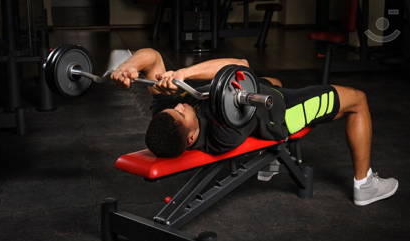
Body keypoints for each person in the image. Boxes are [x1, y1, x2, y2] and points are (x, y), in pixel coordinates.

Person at [111, 48, 398, 206]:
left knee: (271, 83)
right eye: (181, 113)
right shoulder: (221, 131)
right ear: (192, 138)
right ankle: (365, 185)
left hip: (257, 104)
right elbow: (240, 65)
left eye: (175, 107)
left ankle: (268, 162)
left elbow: (151, 56)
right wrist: (185, 73)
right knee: (358, 100)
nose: (180, 106)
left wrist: (129, 68)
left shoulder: (168, 116)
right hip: (282, 117)